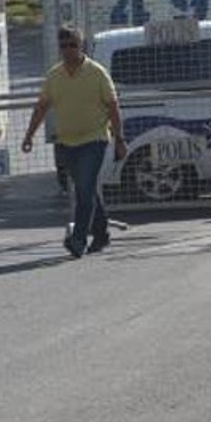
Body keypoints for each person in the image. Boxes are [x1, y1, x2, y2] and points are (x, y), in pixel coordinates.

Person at [22, 26, 128, 258]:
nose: (68, 50)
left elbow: (113, 107)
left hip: (94, 138)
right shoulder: (54, 75)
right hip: (67, 142)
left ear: (81, 46)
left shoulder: (97, 72)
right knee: (86, 188)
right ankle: (101, 233)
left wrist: (120, 139)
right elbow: (42, 107)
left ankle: (78, 239)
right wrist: (29, 135)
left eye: (73, 45)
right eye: (64, 46)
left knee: (84, 189)